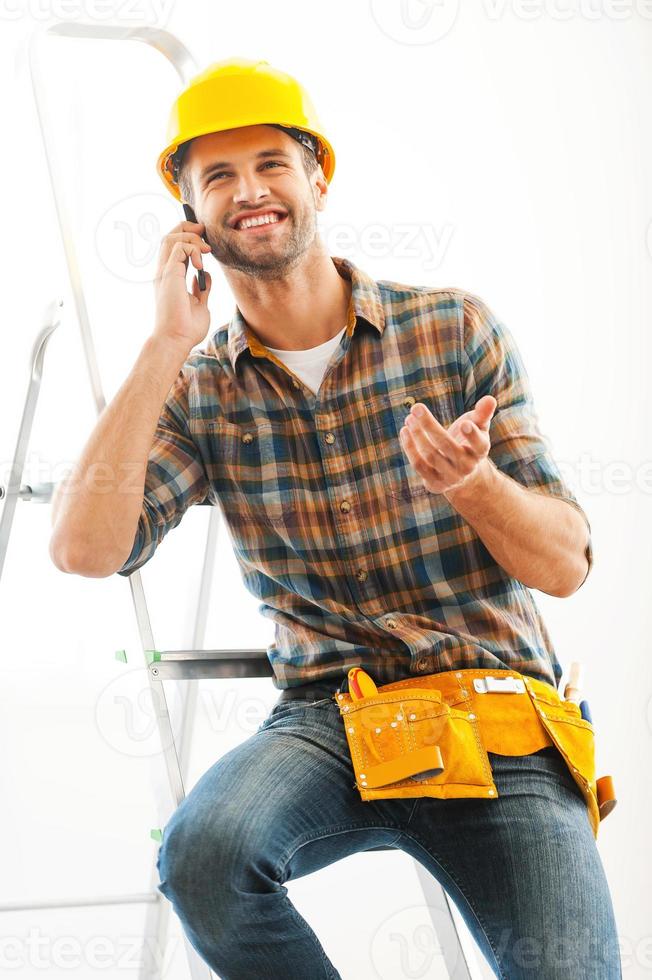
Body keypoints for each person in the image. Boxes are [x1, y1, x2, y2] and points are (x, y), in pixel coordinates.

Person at [49, 59, 621, 978]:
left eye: (272, 163)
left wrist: (473, 485)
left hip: (497, 714)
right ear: (191, 217)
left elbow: (565, 567)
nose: (251, 192)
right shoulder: (197, 389)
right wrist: (164, 344)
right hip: (330, 722)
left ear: (318, 176)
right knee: (204, 855)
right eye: (219, 178)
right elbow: (83, 550)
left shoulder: (453, 330)